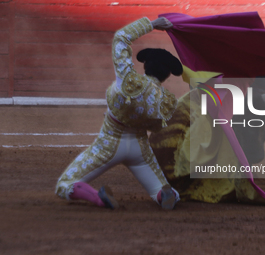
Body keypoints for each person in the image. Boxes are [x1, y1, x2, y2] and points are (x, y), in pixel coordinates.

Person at [55, 17, 183, 210]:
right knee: (160, 188)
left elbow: (121, 37)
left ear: (145, 66)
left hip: (109, 144)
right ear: (166, 76)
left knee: (65, 185)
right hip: (140, 151)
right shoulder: (167, 101)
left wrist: (152, 25)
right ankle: (165, 194)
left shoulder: (128, 79)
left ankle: (98, 198)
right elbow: (158, 127)